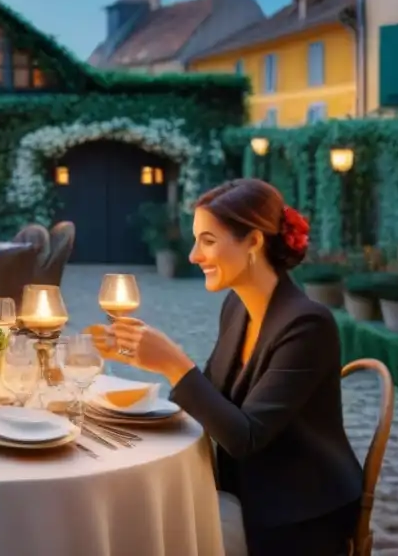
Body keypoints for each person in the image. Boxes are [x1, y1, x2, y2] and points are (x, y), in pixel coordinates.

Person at [88, 179, 363, 556]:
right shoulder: (237, 307)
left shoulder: (307, 325)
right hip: (243, 490)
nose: (194, 255)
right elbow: (212, 397)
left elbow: (244, 437)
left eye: (208, 240)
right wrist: (144, 357)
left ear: (253, 241)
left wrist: (173, 362)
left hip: (298, 510)